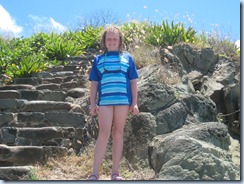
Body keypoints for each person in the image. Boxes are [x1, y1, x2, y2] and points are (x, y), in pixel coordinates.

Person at [88, 26, 139, 180]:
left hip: (123, 102)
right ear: (104, 41)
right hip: (105, 103)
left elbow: (133, 81)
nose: (111, 41)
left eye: (115, 39)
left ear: (120, 41)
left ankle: (115, 173)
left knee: (118, 133)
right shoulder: (98, 60)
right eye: (108, 39)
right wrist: (92, 104)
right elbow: (94, 84)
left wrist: (134, 103)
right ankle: (94, 173)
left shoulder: (127, 58)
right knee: (103, 134)